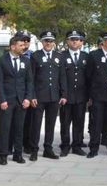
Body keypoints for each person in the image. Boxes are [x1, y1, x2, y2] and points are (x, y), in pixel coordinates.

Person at [0, 35, 33, 165]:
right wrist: (2, 100)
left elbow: (29, 82)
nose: (24, 47)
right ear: (13, 46)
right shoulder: (1, 61)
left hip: (21, 101)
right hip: (7, 101)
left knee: (19, 128)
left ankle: (18, 154)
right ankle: (3, 155)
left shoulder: (26, 61)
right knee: (5, 128)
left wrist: (28, 98)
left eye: (24, 45)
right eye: (21, 45)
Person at [29, 31, 67, 161]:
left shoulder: (59, 56)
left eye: (50, 41)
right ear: (42, 42)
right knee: (36, 124)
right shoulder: (35, 56)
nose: (48, 43)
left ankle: (48, 148)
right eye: (46, 41)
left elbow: (62, 77)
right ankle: (34, 149)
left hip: (54, 96)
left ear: (54, 43)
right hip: (39, 96)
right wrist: (32, 95)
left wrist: (64, 94)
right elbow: (31, 78)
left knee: (50, 124)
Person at [59, 30, 88, 157]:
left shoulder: (86, 57)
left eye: (77, 39)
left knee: (79, 122)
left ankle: (77, 145)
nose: (75, 41)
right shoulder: (61, 56)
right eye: (72, 39)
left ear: (81, 42)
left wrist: (89, 96)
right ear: (67, 41)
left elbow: (89, 78)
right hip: (66, 97)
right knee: (65, 123)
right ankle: (65, 146)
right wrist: (62, 94)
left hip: (81, 97)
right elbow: (59, 78)